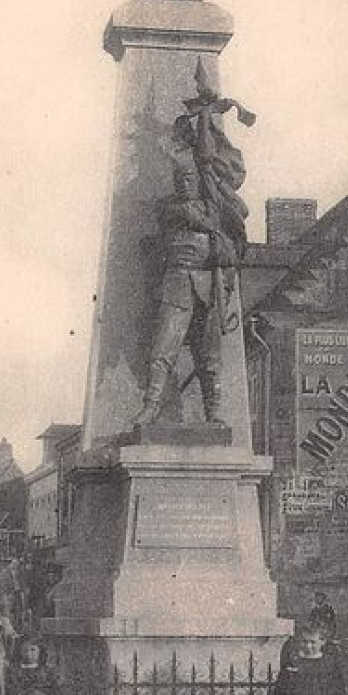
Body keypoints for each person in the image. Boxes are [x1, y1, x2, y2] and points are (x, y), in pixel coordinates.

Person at [133, 66, 253, 428]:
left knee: (210, 351)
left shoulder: (222, 178)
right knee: (163, 344)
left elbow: (231, 208)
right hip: (180, 268)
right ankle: (151, 405)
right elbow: (172, 208)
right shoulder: (181, 167)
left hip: (212, 269)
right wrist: (186, 210)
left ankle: (214, 411)